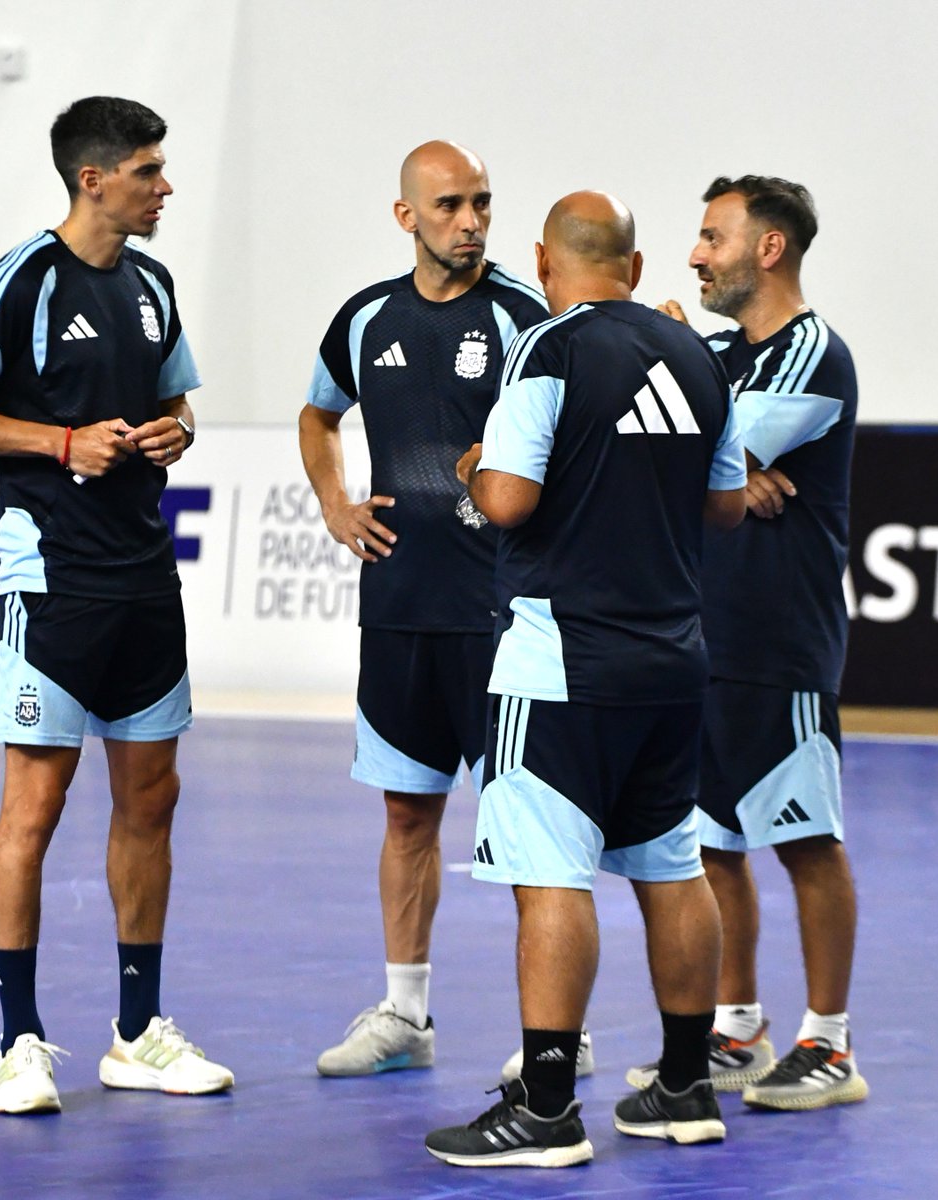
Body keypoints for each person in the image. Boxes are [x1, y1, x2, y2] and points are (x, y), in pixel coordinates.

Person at [0, 96, 233, 1114]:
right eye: (148, 171)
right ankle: (18, 1043)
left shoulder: (152, 282)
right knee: (34, 808)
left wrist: (176, 431)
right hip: (50, 584)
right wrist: (58, 443)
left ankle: (138, 1032)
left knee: (151, 801)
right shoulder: (22, 280)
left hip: (146, 577)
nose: (165, 186)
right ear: (93, 179)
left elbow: (177, 398)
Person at [424, 191, 747, 1168]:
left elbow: (512, 500)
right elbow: (727, 505)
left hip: (560, 657)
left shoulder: (550, 347)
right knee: (670, 865)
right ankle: (686, 1086)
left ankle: (547, 1108)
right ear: (638, 268)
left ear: (545, 261)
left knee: (549, 874)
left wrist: (475, 470)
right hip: (670, 661)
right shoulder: (699, 356)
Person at [298, 142, 595, 1078]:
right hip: (398, 612)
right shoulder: (363, 319)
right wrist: (336, 503)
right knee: (407, 818)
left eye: (482, 204)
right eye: (451, 206)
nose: (470, 221)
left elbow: (582, 430)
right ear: (407, 217)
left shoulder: (524, 316)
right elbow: (317, 414)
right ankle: (405, 1015)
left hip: (503, 619)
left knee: (524, 830)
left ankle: (561, 1036)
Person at [626, 175, 868, 1111]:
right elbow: (665, 447)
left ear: (768, 249)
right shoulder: (718, 356)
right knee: (714, 844)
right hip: (701, 637)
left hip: (780, 639)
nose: (695, 254)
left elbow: (682, 449)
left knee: (807, 840)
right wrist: (730, 465)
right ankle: (737, 1029)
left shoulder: (813, 352)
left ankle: (832, 1045)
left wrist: (713, 456)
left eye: (711, 236)